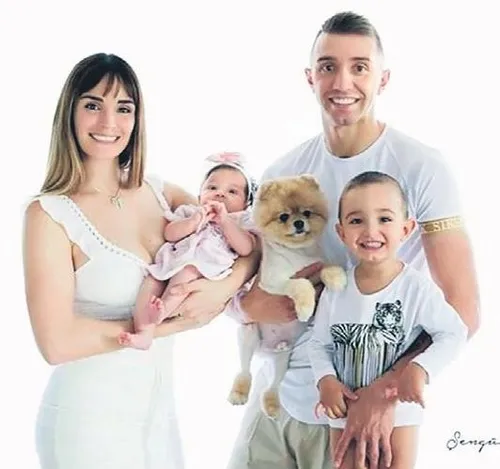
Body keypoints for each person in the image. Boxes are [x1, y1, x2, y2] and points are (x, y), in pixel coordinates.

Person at [225, 11, 480, 469]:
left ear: (383, 78)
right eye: (328, 66)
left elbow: (462, 313)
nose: (343, 82)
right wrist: (247, 307)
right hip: (277, 399)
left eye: (359, 67)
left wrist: (385, 394)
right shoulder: (283, 172)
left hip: (358, 412)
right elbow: (243, 278)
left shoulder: (422, 167)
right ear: (310, 77)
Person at [22, 53, 258, 469]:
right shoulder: (49, 215)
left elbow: (249, 243)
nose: (108, 122)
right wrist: (175, 325)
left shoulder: (159, 191)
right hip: (87, 425)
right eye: (93, 105)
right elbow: (56, 344)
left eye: (123, 108)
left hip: (158, 419)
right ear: (70, 113)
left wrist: (225, 285)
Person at [308, 171, 468, 469]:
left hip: (399, 413)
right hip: (343, 411)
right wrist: (325, 379)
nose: (371, 230)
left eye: (384, 219)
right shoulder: (336, 288)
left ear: (406, 229)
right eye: (357, 220)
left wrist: (420, 368)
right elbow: (319, 343)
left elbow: (453, 332)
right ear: (341, 232)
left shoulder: (416, 288)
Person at [118, 152, 258, 349]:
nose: (220, 194)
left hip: (202, 267)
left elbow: (246, 249)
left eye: (232, 191)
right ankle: (144, 332)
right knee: (151, 281)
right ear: (200, 195)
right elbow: (170, 233)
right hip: (172, 260)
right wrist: (193, 222)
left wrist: (225, 221)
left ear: (246, 204)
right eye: (212, 188)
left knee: (185, 275)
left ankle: (161, 314)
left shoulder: (240, 222)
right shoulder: (191, 212)